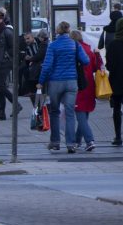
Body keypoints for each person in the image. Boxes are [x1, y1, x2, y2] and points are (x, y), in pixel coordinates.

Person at [37, 21, 89, 153]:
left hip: (55, 82)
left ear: (57, 31)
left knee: (54, 112)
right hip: (72, 82)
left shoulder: (53, 45)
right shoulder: (75, 44)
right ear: (68, 30)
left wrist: (41, 81)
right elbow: (86, 61)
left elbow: (47, 66)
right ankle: (71, 144)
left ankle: (55, 142)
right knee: (70, 113)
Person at [105, 16, 123, 147]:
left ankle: (118, 137)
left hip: (116, 81)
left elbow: (109, 66)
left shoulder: (112, 44)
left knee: (116, 110)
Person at [70, 30, 101, 152]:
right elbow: (95, 67)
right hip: (90, 86)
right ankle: (77, 141)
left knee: (80, 116)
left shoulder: (74, 51)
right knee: (84, 114)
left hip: (79, 86)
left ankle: (89, 140)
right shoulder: (89, 50)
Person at [0, 10, 18, 120]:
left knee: (1, 86)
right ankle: (1, 113)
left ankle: (16, 105)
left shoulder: (6, 31)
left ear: (1, 20)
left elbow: (14, 47)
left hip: (5, 62)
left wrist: (6, 55)